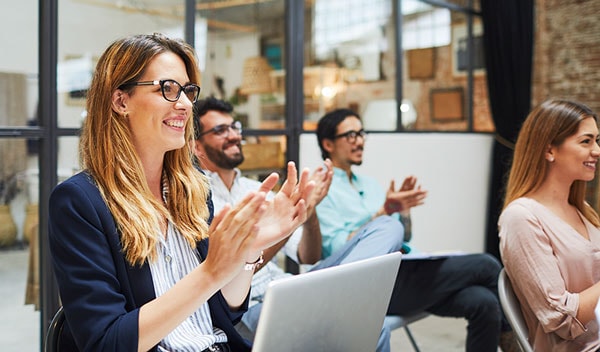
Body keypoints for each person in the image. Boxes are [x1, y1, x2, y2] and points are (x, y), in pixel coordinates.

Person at [47, 33, 314, 352]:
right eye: (168, 89)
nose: (186, 104)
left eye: (188, 91)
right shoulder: (79, 202)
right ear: (121, 101)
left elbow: (226, 309)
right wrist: (211, 272)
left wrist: (250, 248)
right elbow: (107, 343)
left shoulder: (194, 188)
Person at [192, 97, 401, 352]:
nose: (234, 135)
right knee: (373, 329)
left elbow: (307, 255)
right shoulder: (196, 199)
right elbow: (225, 276)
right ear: (196, 146)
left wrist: (308, 210)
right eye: (220, 130)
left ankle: (343, 298)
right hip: (247, 310)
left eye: (234, 127)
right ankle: (343, 303)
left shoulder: (259, 189)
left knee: (388, 226)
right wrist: (285, 227)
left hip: (289, 287)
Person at [315, 108, 518, 352]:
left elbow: (405, 235)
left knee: (483, 302)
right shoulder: (322, 191)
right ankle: (514, 343)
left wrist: (403, 213)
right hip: (372, 286)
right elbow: (338, 250)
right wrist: (382, 213)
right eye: (350, 135)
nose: (359, 141)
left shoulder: (367, 184)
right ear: (328, 143)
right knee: (486, 265)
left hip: (406, 271)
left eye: (361, 133)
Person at [498, 99, 600, 352]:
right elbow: (562, 319)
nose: (597, 150)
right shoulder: (521, 218)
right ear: (549, 150)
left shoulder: (582, 209)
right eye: (586, 141)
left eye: (597, 140)